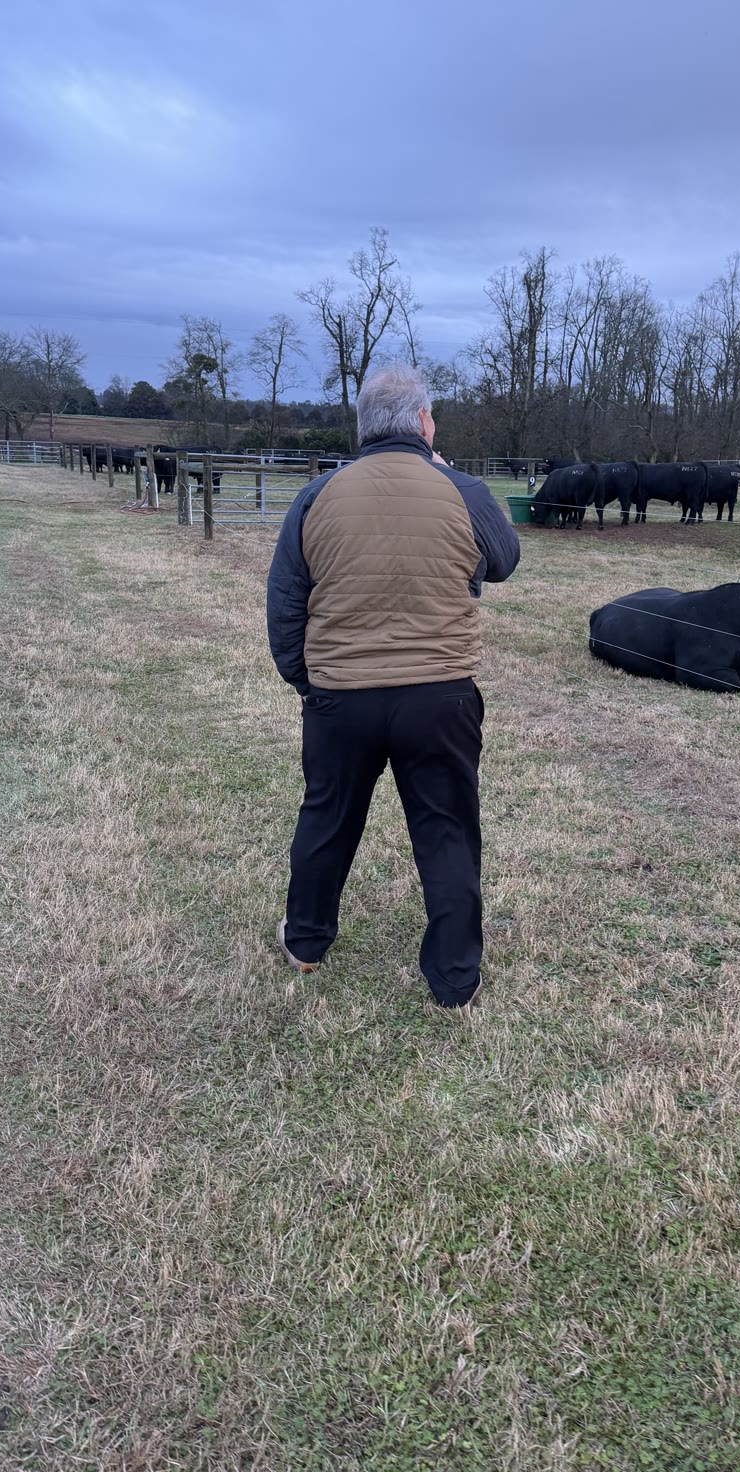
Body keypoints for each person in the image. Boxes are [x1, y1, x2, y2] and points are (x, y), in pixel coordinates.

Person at [266, 364, 521, 1008]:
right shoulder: (463, 489)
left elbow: (286, 604)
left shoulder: (316, 495)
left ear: (362, 430)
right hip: (441, 696)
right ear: (424, 423)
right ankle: (455, 977)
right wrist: (444, 472)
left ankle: (305, 943)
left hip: (340, 698)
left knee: (327, 818)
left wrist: (309, 682)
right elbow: (505, 561)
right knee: (447, 829)